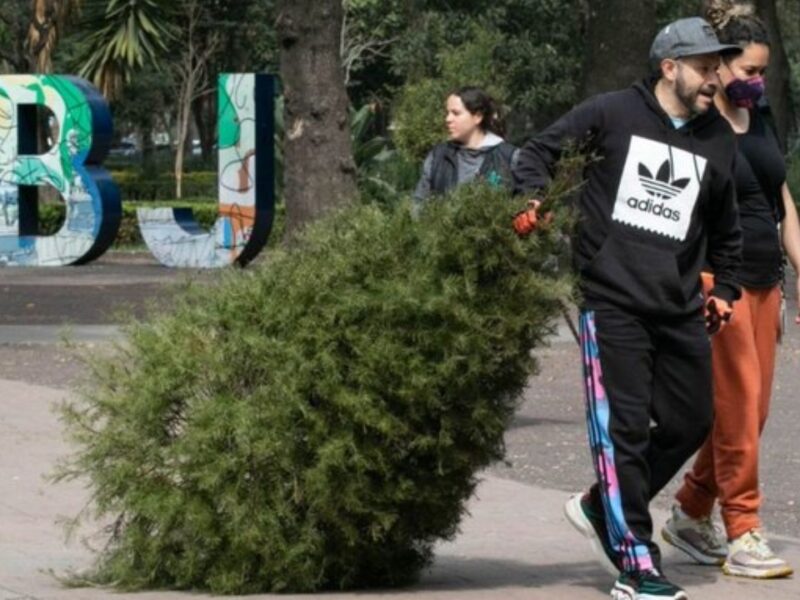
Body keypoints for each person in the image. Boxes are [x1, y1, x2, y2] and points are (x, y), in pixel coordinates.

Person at [512, 17, 743, 600]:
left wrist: (725, 290)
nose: (714, 76)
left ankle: (599, 505)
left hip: (678, 305)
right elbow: (537, 150)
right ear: (670, 68)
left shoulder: (717, 137)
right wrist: (531, 197)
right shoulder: (611, 112)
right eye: (705, 66)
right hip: (612, 301)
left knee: (692, 421)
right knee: (625, 435)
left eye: (717, 66)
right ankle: (637, 563)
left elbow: (726, 228)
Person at [662, 0, 800, 580]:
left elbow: (781, 202)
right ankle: (743, 530)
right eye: (747, 72)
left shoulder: (761, 120)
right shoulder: (700, 132)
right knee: (739, 411)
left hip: (769, 282)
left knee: (754, 413)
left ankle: (692, 511)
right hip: (723, 285)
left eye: (762, 72)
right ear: (718, 69)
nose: (757, 82)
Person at [413, 86, 518, 203]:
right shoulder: (438, 156)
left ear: (477, 117)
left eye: (456, 113)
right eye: (447, 113)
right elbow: (419, 203)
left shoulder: (509, 157)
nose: (448, 119)